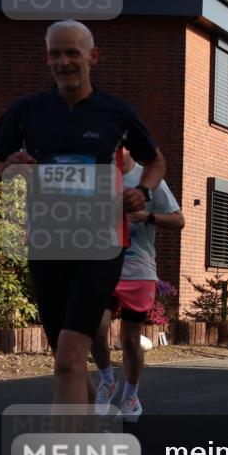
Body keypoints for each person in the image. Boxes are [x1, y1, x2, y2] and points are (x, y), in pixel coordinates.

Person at [0, 20, 165, 405]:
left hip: (101, 245)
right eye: (55, 54)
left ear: (92, 58)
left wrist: (142, 192)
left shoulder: (116, 112)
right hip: (47, 244)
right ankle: (91, 428)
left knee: (68, 356)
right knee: (67, 359)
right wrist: (13, 167)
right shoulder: (27, 111)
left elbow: (156, 162)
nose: (63, 62)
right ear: (47, 59)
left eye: (72, 53)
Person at [91, 149, 184, 419]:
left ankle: (131, 398)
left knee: (130, 341)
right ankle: (108, 381)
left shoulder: (148, 178)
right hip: (104, 266)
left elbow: (179, 220)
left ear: (128, 146)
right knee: (96, 328)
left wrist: (148, 217)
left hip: (138, 270)